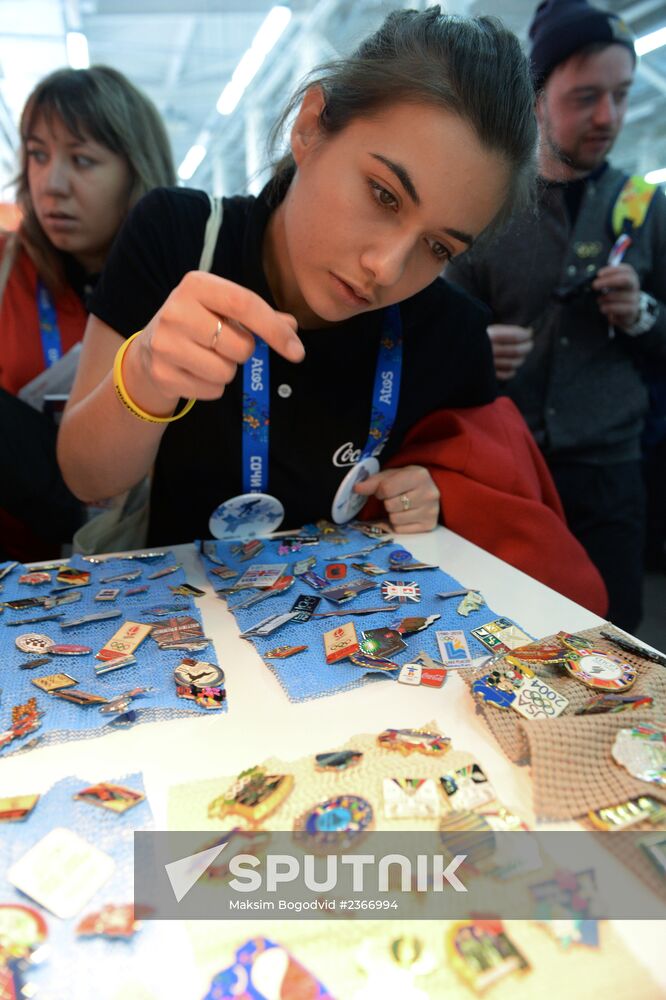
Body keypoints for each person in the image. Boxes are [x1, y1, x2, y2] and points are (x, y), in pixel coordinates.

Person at [57, 8, 607, 613]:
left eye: (438, 247)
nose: (388, 268)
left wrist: (437, 491)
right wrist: (143, 376)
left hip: (345, 657)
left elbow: (481, 486)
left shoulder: (450, 332)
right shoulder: (182, 236)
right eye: (383, 194)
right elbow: (87, 479)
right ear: (312, 125)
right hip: (164, 636)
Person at [446, 0, 666, 632]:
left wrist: (646, 315)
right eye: (585, 97)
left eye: (622, 96)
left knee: (616, 644)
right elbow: (428, 337)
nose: (609, 117)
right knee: (509, 642)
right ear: (537, 97)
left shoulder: (645, 205)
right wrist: (474, 348)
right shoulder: (485, 202)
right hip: (506, 477)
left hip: (609, 479)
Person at [0, 65, 175, 561]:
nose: (51, 184)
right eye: (37, 154)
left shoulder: (185, 289)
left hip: (147, 568)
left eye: (82, 160)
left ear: (135, 170)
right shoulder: (5, 268)